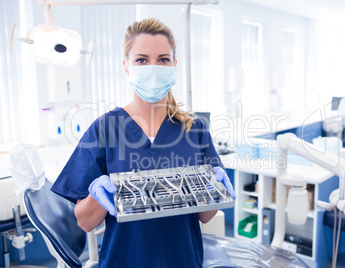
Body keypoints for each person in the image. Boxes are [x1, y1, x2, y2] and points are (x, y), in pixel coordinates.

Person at [51, 17, 236, 267]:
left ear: (174, 65)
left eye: (162, 59)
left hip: (181, 260)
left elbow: (205, 216)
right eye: (141, 60)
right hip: (125, 259)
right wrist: (97, 196)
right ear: (127, 66)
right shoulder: (105, 129)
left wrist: (214, 191)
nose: (153, 67)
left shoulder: (195, 129)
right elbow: (85, 222)